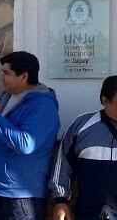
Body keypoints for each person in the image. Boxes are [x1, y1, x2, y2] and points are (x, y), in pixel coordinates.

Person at [0, 51, 60, 220]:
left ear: (24, 76)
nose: (1, 77)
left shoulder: (43, 106)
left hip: (20, 195)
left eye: (6, 73)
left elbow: (26, 144)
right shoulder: (6, 97)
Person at [49, 75, 117, 220]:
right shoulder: (81, 126)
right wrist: (61, 201)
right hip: (91, 213)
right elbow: (62, 165)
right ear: (105, 101)